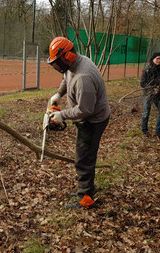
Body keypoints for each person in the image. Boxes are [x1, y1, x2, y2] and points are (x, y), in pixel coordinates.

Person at [46, 37, 111, 209]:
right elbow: (66, 78)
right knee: (86, 156)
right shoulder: (74, 65)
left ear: (68, 56)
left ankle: (86, 199)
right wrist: (58, 95)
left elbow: (85, 109)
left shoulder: (84, 77)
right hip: (87, 116)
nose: (56, 67)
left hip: (93, 120)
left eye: (57, 63)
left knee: (83, 158)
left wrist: (62, 115)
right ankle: (87, 188)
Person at [140, 52, 160, 139]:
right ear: (153, 59)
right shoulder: (147, 69)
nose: (159, 60)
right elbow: (142, 83)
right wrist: (152, 89)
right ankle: (144, 130)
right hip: (148, 94)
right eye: (157, 58)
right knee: (146, 113)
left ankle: (158, 131)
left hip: (159, 94)